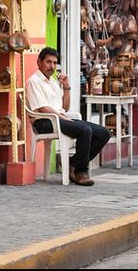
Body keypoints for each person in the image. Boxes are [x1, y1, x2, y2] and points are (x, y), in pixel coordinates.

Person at [26, 47, 111, 186]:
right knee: (84, 130)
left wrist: (66, 87)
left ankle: (72, 163)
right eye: (48, 62)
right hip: (45, 121)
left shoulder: (53, 81)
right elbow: (43, 108)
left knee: (104, 133)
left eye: (54, 63)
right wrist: (63, 118)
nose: (52, 66)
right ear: (39, 62)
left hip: (59, 118)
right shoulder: (34, 81)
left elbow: (64, 107)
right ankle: (81, 172)